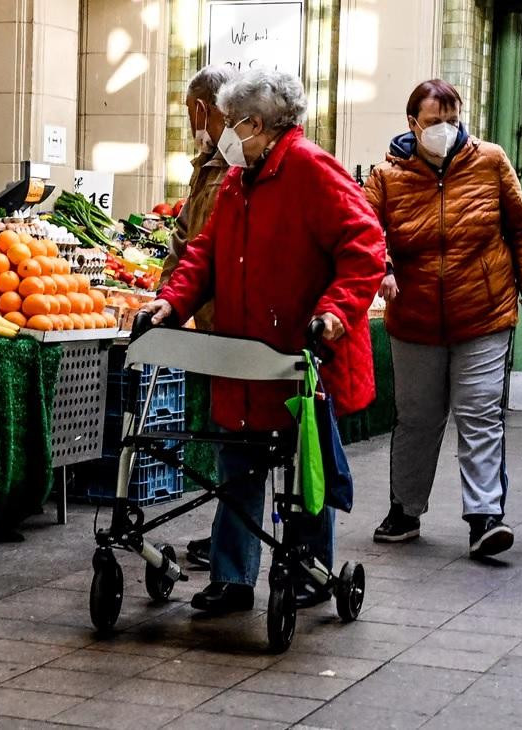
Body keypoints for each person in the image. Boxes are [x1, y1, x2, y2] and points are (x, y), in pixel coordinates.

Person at [143, 69, 385, 614]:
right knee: (237, 468)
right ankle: (233, 578)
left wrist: (334, 315)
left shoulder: (311, 169)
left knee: (304, 472)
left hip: (298, 354)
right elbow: (205, 251)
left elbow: (365, 246)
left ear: (256, 124)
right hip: (241, 354)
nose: (222, 133)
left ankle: (308, 570)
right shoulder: (238, 178)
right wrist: (173, 300)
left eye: (230, 123)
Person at [363, 79, 522, 557]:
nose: (444, 130)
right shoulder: (387, 176)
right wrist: (383, 267)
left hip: (484, 312)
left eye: (452, 121)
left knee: (480, 414)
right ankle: (405, 510)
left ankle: (485, 518)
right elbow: (364, 230)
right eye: (433, 122)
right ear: (411, 124)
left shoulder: (490, 160)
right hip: (416, 318)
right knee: (418, 418)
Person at [158, 65, 238, 570]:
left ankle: (235, 540)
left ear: (204, 108)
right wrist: (168, 296)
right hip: (209, 318)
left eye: (192, 113)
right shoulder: (206, 165)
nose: (193, 123)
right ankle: (228, 535)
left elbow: (205, 248)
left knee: (239, 439)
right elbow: (190, 240)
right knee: (225, 434)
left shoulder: (242, 164)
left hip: (241, 323)